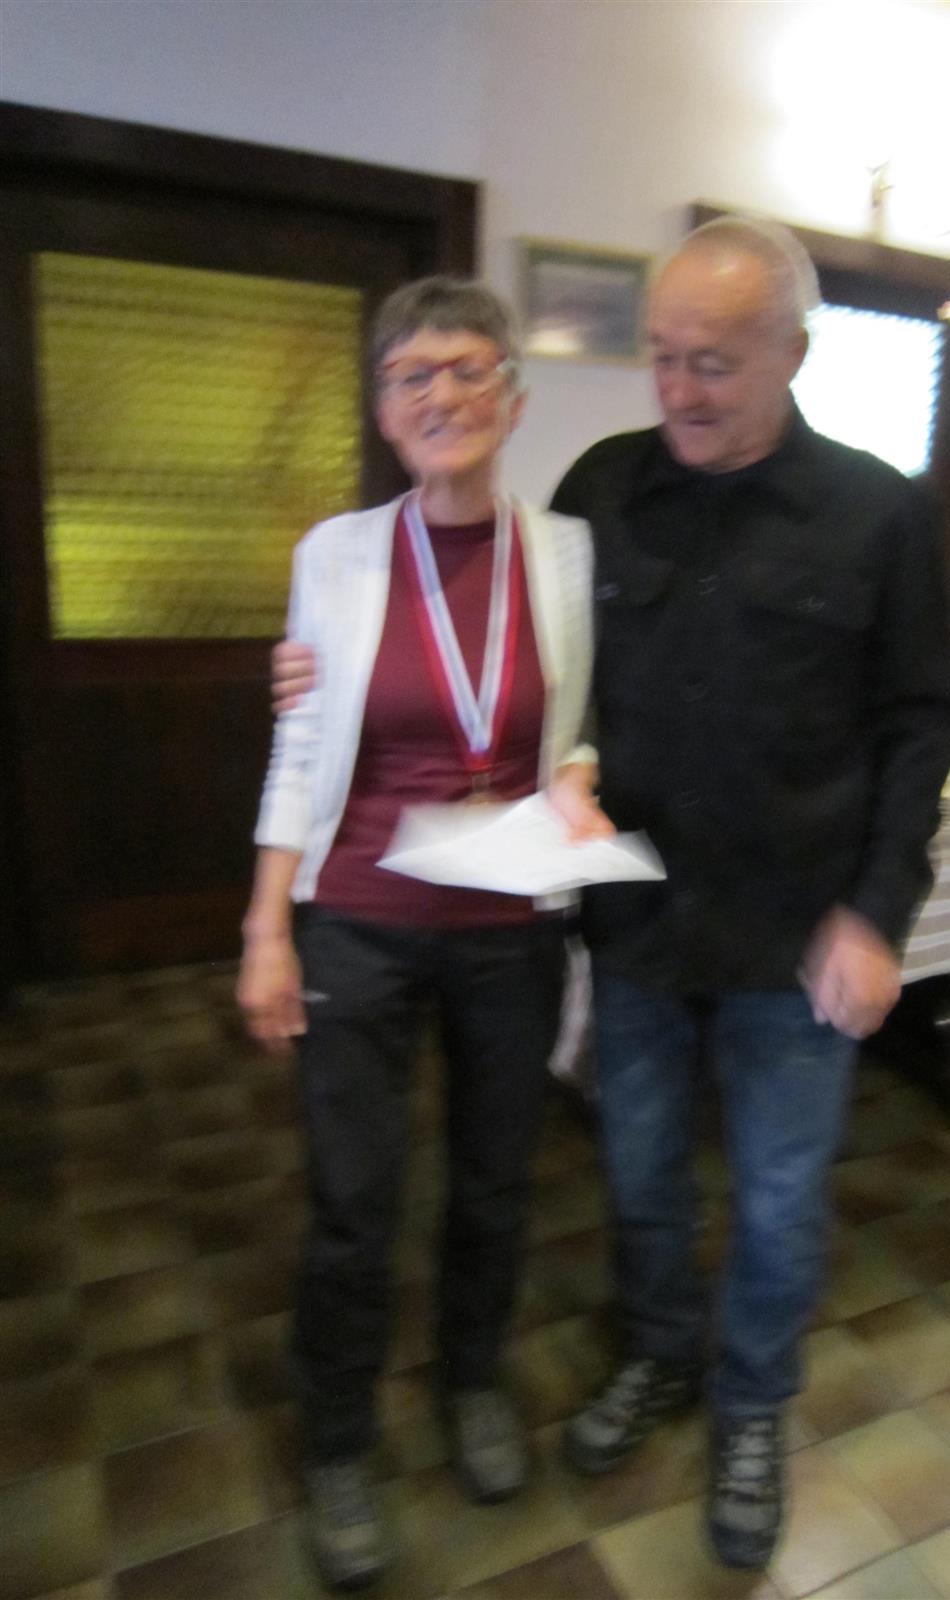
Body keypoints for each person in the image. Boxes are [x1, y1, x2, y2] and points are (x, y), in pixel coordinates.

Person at [274, 218, 950, 1571]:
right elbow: (534, 666)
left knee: (776, 1200)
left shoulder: (881, 514)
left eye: (715, 362)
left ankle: (752, 1411)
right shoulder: (603, 489)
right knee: (639, 1178)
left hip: (794, 936)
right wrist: (315, 666)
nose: (680, 389)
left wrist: (878, 913)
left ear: (794, 354)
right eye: (662, 356)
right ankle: (657, 1352)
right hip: (632, 922)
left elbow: (923, 725)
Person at [239, 277, 595, 1591]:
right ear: (386, 411)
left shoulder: (568, 553)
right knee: (355, 1199)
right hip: (361, 922)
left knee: (497, 1181)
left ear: (512, 395)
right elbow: (300, 748)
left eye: (465, 368)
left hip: (511, 926)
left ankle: (471, 1381)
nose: (440, 394)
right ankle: (337, 1440)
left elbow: (583, 724)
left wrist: (581, 778)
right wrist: (266, 926)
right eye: (411, 376)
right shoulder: (333, 555)